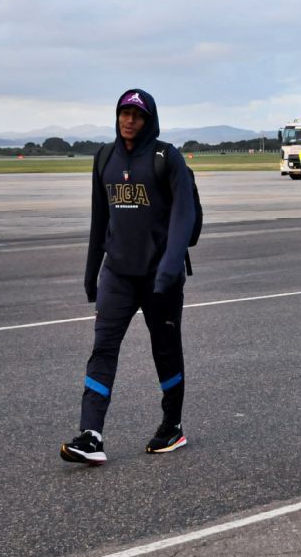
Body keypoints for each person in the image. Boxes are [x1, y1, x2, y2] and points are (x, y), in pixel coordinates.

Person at [62, 89, 197, 465]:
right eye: (124, 113)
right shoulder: (104, 157)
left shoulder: (166, 157)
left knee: (165, 350)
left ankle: (172, 425)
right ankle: (91, 434)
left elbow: (184, 216)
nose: (129, 120)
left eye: (137, 115)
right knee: (102, 350)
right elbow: (99, 219)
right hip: (117, 275)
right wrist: (92, 271)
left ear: (148, 119)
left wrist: (170, 269)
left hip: (160, 276)